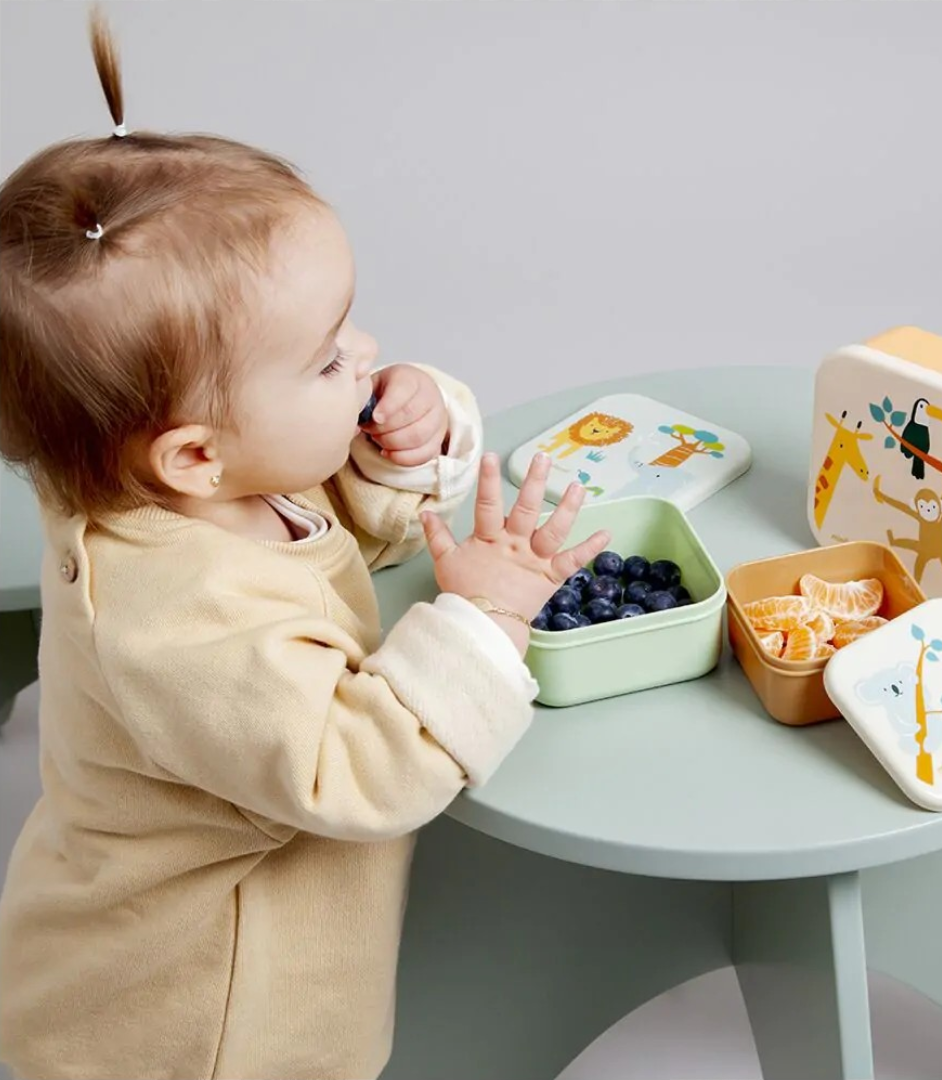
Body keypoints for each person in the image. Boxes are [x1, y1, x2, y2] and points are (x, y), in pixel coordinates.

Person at [0, 11, 608, 1079]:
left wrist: (392, 445)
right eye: (328, 361)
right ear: (191, 457)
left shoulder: (184, 482)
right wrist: (486, 619)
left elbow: (320, 529)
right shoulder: (175, 619)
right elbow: (353, 770)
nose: (365, 355)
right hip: (196, 1017)